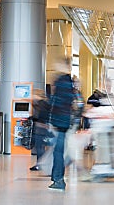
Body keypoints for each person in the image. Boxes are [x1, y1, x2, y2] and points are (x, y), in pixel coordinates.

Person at [48, 58, 76, 191]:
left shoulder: (62, 81)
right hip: (64, 121)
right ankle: (57, 178)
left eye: (58, 64)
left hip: (60, 121)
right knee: (58, 151)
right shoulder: (69, 81)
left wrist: (51, 119)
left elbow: (56, 102)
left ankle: (59, 180)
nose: (56, 66)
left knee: (58, 151)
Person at [29, 89, 51, 171]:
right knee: (40, 147)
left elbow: (40, 116)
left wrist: (33, 118)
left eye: (33, 95)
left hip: (41, 128)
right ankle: (41, 164)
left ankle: (41, 164)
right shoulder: (42, 104)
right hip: (42, 127)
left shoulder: (41, 104)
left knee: (40, 147)